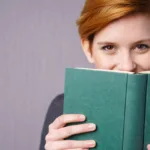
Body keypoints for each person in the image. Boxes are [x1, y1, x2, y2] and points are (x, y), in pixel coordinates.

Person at [40, 0, 150, 149]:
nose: (127, 66)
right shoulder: (62, 109)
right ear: (88, 49)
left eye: (141, 46)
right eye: (108, 47)